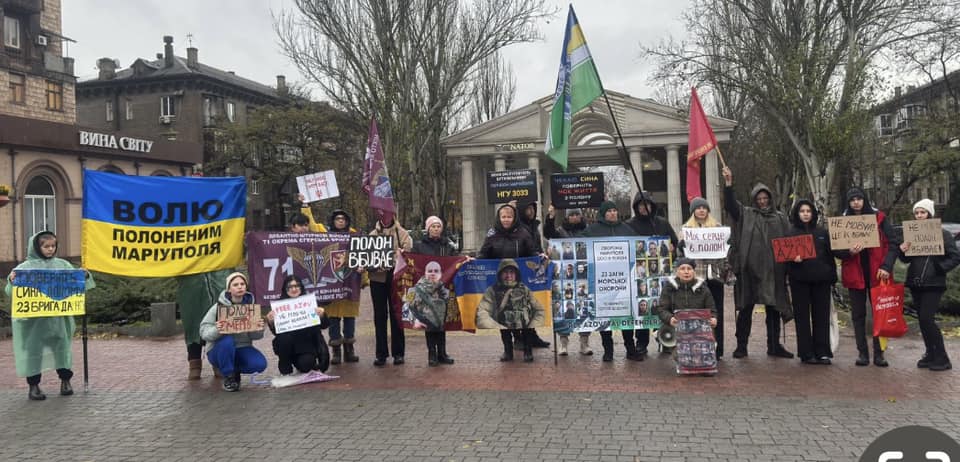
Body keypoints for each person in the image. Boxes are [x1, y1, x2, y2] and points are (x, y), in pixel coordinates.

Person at [5, 231, 96, 401]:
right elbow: (12, 292)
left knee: (62, 351)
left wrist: (83, 275)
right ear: (37, 247)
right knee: (34, 354)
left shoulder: (63, 265)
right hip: (33, 324)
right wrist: (12, 280)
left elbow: (77, 285)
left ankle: (66, 381)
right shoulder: (24, 268)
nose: (50, 249)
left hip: (58, 321)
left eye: (53, 246)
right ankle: (33, 386)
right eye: (46, 246)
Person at [722, 166, 794, 359]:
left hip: (773, 271)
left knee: (774, 309)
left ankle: (774, 345)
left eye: (765, 198)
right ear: (754, 200)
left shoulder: (780, 218)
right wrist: (729, 184)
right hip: (749, 271)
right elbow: (730, 205)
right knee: (746, 309)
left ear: (770, 199)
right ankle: (741, 345)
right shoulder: (746, 214)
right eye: (759, 199)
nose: (762, 202)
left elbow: (789, 243)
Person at [832, 187, 900, 367]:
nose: (856, 202)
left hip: (878, 275)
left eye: (859, 199)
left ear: (864, 200)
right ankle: (862, 353)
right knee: (858, 315)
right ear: (848, 202)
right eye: (852, 199)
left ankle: (879, 354)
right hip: (855, 276)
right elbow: (836, 250)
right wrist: (848, 252)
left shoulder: (880, 218)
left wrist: (886, 266)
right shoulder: (843, 221)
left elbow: (893, 244)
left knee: (881, 314)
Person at [898, 199, 960, 371]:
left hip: (934, 283)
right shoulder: (911, 234)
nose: (919, 216)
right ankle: (930, 353)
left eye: (922, 212)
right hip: (916, 283)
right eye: (917, 213)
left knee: (927, 319)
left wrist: (940, 268)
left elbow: (955, 257)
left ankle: (942, 357)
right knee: (923, 321)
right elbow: (906, 259)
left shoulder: (943, 234)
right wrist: (903, 251)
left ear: (930, 214)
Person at [478, 203, 541, 361]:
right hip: (500, 284)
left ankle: (527, 350)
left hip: (521, 283)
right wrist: (473, 261)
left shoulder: (523, 233)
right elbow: (483, 254)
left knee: (523, 317)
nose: (506, 220)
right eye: (503, 217)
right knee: (503, 318)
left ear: (514, 218)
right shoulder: (492, 235)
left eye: (509, 217)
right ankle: (508, 350)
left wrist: (540, 257)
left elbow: (532, 252)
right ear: (499, 218)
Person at [585, 201, 644, 362]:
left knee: (626, 316)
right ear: (603, 213)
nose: (612, 213)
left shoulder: (626, 229)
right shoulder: (591, 231)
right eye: (609, 211)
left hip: (623, 282)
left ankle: (630, 350)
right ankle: (608, 350)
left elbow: (640, 246)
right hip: (602, 283)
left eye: (614, 210)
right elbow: (580, 247)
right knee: (604, 318)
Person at [627, 191, 679, 359]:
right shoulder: (629, 225)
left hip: (661, 275)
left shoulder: (662, 223)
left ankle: (665, 339)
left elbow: (675, 242)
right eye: (641, 205)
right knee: (642, 308)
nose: (644, 208)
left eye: (647, 205)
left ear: (652, 206)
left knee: (663, 307)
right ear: (636, 207)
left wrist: (672, 248)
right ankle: (641, 342)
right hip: (640, 276)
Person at [786, 199, 836, 365]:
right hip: (800, 280)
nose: (805, 214)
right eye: (802, 211)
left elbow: (830, 256)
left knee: (821, 317)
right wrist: (793, 260)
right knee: (802, 318)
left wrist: (832, 276)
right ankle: (806, 353)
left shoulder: (822, 232)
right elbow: (783, 257)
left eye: (808, 211)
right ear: (797, 214)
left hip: (821, 280)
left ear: (813, 213)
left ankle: (822, 351)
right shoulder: (791, 233)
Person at [199, 272, 267, 392]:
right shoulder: (218, 307)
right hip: (218, 349)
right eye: (235, 284)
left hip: (242, 347)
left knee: (260, 364)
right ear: (229, 289)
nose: (240, 287)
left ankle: (234, 370)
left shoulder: (251, 308)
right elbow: (203, 331)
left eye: (242, 284)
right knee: (227, 341)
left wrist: (259, 328)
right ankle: (228, 377)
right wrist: (217, 329)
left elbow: (255, 336)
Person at [679, 197, 728, 359]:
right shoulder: (686, 230)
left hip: (714, 275)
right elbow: (681, 257)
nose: (701, 210)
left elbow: (725, 253)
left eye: (704, 207)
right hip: (697, 277)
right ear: (693, 211)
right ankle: (698, 346)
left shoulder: (718, 228)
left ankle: (718, 348)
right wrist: (682, 245)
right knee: (697, 312)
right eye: (698, 208)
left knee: (716, 312)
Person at [411, 216, 463, 366]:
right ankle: (431, 354)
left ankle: (442, 352)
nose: (435, 229)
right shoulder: (419, 246)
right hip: (426, 290)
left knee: (441, 321)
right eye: (433, 226)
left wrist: (465, 259)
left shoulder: (447, 245)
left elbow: (455, 260)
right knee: (429, 321)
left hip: (442, 288)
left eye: (438, 226)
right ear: (428, 229)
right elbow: (412, 262)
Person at [320, 209, 368, 365]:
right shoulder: (326, 238)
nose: (340, 221)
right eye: (337, 218)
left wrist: (364, 274)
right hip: (333, 284)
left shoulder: (356, 237)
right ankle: (336, 350)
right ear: (333, 221)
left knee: (349, 318)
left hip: (350, 281)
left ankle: (349, 349)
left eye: (343, 218)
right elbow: (313, 226)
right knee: (333, 319)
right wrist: (305, 205)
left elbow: (363, 256)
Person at [475, 259, 546, 362]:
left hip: (524, 322)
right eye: (505, 272)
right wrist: (495, 324)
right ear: (500, 274)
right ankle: (508, 352)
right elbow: (482, 312)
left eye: (511, 272)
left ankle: (528, 352)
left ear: (516, 274)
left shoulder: (524, 289)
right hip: (505, 323)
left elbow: (539, 309)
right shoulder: (492, 290)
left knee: (528, 331)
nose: (508, 275)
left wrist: (533, 322)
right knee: (505, 332)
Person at [368, 212, 413, 366]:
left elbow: (408, 252)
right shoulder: (372, 235)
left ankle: (398, 353)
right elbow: (366, 256)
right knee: (379, 316)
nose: (385, 217)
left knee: (396, 314)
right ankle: (381, 354)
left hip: (396, 278)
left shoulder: (402, 233)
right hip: (377, 279)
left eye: (388, 213)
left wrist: (397, 256)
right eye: (382, 214)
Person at [265, 275, 330, 375]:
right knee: (283, 339)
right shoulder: (278, 306)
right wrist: (271, 322)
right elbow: (276, 332)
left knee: (306, 365)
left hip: (306, 345)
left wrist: (322, 315)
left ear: (301, 287)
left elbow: (324, 326)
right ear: (285, 289)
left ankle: (300, 362)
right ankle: (285, 364)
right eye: (290, 287)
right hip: (286, 346)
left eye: (297, 286)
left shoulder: (310, 302)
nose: (294, 289)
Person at [657, 258, 718, 337]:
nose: (686, 272)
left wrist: (713, 319)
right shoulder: (669, 288)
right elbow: (662, 309)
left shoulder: (703, 289)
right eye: (682, 269)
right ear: (677, 272)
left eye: (689, 269)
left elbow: (712, 310)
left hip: (698, 331)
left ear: (694, 272)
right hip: (675, 330)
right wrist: (670, 318)